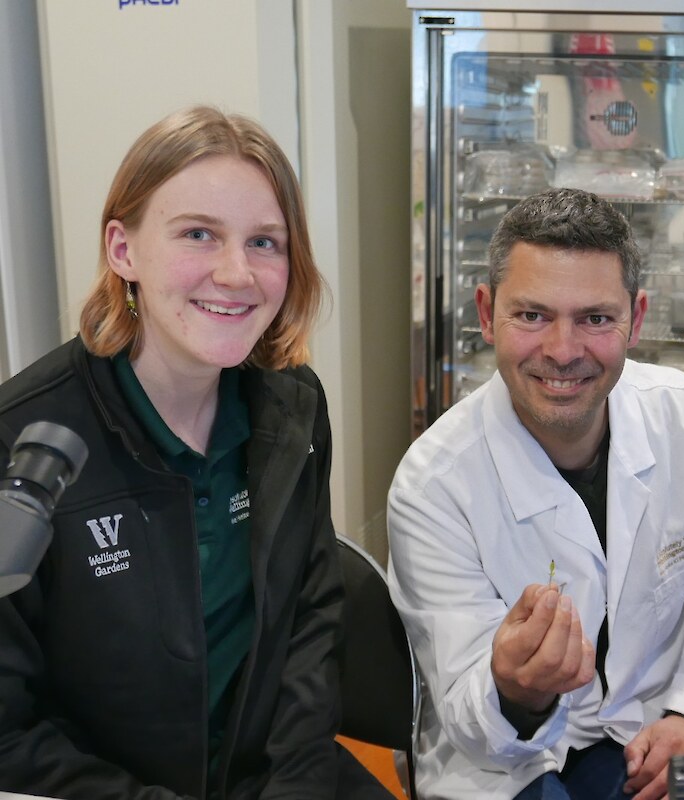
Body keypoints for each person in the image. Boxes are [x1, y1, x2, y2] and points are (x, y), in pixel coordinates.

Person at [0, 105, 392, 799]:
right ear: (124, 251)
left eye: (266, 242)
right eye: (199, 234)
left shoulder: (291, 406)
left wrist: (296, 787)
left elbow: (310, 617)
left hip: (274, 776)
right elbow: (7, 732)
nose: (238, 273)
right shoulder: (22, 441)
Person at [387, 187, 684, 800]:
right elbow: (469, 716)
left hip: (655, 728)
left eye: (595, 318)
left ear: (638, 317)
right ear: (484, 311)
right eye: (531, 315)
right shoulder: (433, 486)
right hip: (507, 763)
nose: (563, 351)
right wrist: (516, 690)